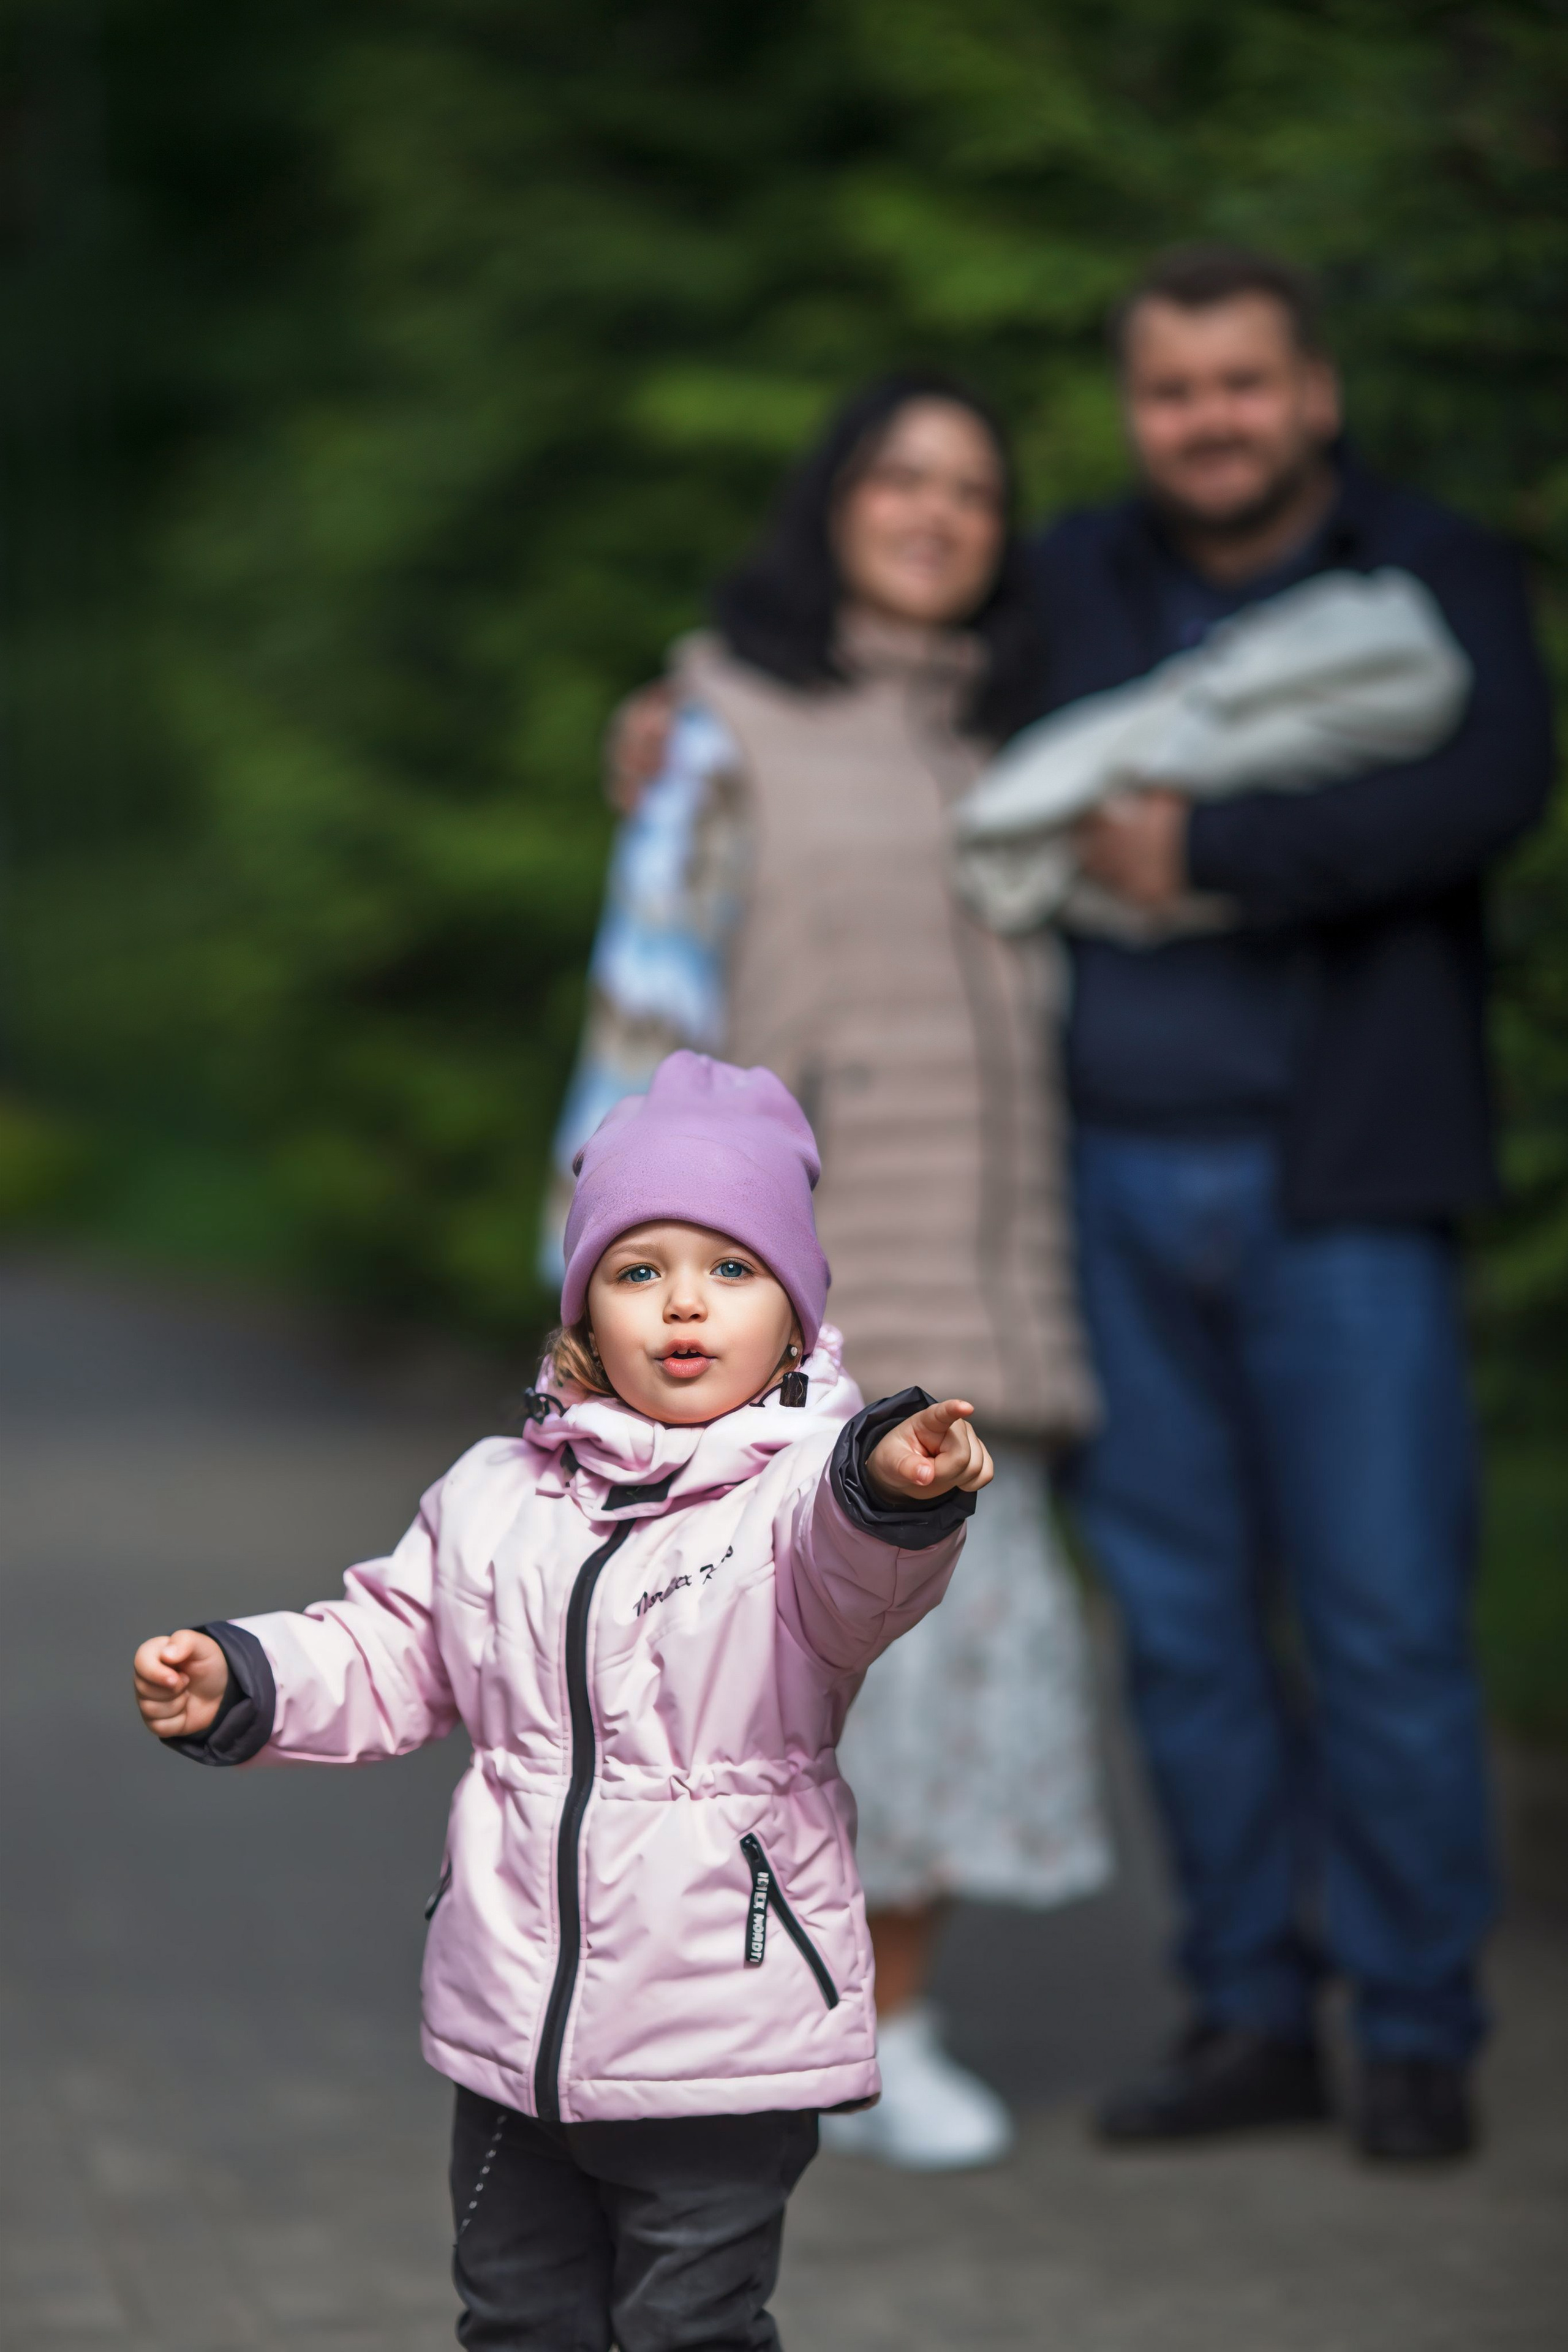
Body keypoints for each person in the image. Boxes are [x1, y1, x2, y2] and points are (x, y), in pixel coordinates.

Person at [131, 1050, 993, 2352]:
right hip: (513, 2028)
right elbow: (392, 1645)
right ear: (584, 1305)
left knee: (689, 2328)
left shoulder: (797, 1496)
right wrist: (245, 1675)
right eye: (639, 1270)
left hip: (720, 2028)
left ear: (796, 1307)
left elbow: (853, 1565)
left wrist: (896, 1484)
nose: (683, 1306)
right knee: (515, 2319)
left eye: (732, 1269)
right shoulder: (495, 1490)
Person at [1034, 245, 1555, 2162]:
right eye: (1174, 391)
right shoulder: (1078, 572)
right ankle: (1250, 2010)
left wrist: (1218, 851)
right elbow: (891, 691)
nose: (1212, 422)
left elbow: (1494, 781)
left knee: (1391, 1621)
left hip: (1345, 1184)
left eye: (1244, 384)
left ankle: (1418, 2029)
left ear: (1314, 391)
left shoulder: (1427, 571)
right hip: (1103, 1179)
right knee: (1178, 1631)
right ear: (1135, 409)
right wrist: (683, 728)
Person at [556, 375, 1109, 2169]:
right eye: (902, 480)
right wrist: (602, 1296)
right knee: (747, 1710)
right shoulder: (720, 716)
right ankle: (718, 2047)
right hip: (787, 1320)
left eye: (973, 489)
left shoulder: (1025, 745)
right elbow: (644, 1006)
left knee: (959, 1700)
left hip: (995, 1298)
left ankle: (901, 2032)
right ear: (835, 504)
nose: (938, 514)